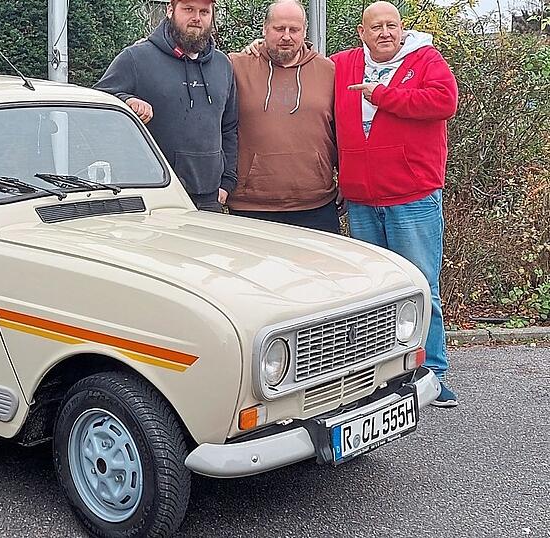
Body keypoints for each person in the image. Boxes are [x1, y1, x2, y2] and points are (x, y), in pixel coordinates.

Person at [333, 1, 459, 406]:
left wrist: (383, 95)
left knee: (422, 287)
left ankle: (434, 371)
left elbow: (444, 102)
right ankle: (382, 374)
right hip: (362, 199)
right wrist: (257, 49)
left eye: (392, 25)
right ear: (361, 32)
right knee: (375, 293)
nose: (385, 32)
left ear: (402, 30)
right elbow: (301, 61)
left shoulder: (425, 59)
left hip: (413, 196)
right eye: (376, 27)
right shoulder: (345, 64)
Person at [94, 0, 238, 212]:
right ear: (170, 10)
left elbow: (229, 127)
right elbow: (99, 101)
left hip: (210, 198)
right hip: (154, 197)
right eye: (188, 9)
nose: (197, 18)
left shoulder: (222, 65)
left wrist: (227, 182)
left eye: (204, 12)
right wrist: (126, 100)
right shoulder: (136, 58)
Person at [227, 0, 341, 233]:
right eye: (279, 29)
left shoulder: (329, 70)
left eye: (294, 29)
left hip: (316, 204)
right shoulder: (235, 67)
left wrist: (349, 182)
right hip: (251, 205)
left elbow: (344, 131)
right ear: (264, 29)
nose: (286, 36)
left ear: (304, 32)